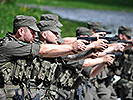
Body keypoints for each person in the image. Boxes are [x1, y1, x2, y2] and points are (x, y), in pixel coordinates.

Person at [0, 15, 88, 100]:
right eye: (32, 32)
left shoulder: (25, 45)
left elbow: (59, 46)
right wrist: (72, 47)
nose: (35, 35)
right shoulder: (10, 45)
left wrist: (82, 47)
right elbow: (43, 50)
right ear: (21, 31)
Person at [114, 26, 133, 100]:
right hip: (117, 80)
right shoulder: (114, 43)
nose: (129, 39)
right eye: (128, 37)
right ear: (121, 36)